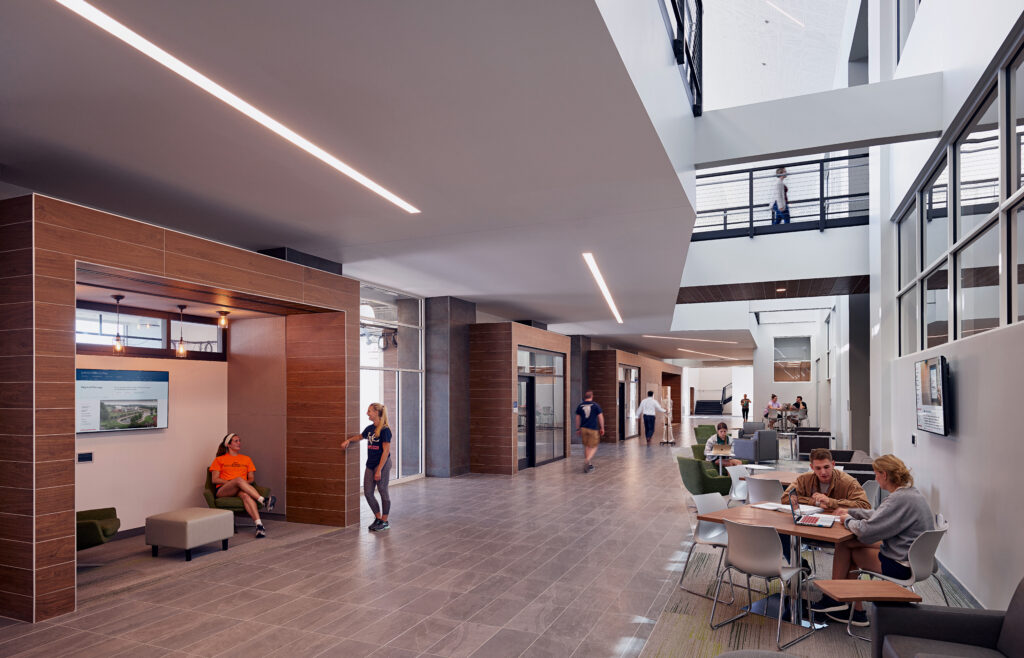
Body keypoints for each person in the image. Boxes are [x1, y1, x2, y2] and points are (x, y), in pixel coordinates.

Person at [812, 454, 936, 627]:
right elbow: (881, 514)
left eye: (876, 474)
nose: (875, 478)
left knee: (847, 548)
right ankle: (850, 607)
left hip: (902, 566)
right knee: (848, 544)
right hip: (914, 558)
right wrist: (852, 512)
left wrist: (847, 520)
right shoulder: (910, 494)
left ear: (884, 474)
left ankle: (841, 603)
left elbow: (866, 532)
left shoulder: (898, 499)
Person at [209, 433, 276, 538]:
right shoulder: (219, 460)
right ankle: (263, 500)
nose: (239, 443)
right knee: (239, 480)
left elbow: (251, 479)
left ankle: (259, 526)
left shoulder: (246, 459)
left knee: (246, 496)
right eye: (236, 441)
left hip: (241, 488)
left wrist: (241, 484)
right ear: (228, 444)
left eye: (240, 440)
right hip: (224, 490)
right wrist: (234, 482)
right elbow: (214, 479)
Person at [341, 402, 393, 532]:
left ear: (376, 413)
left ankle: (385, 521)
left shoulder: (385, 430)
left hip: (382, 464)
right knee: (368, 492)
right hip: (370, 464)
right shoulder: (370, 429)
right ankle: (378, 518)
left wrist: (379, 470)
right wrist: (349, 440)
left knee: (382, 489)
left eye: (369, 411)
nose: (367, 413)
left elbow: (386, 452)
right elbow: (360, 436)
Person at [575, 390, 605, 473]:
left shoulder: (580, 406)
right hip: (593, 429)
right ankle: (587, 460)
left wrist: (578, 429)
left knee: (587, 446)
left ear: (585, 397)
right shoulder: (596, 405)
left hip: (583, 429)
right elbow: (600, 417)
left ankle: (589, 464)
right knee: (594, 446)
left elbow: (577, 418)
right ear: (592, 397)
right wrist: (602, 428)